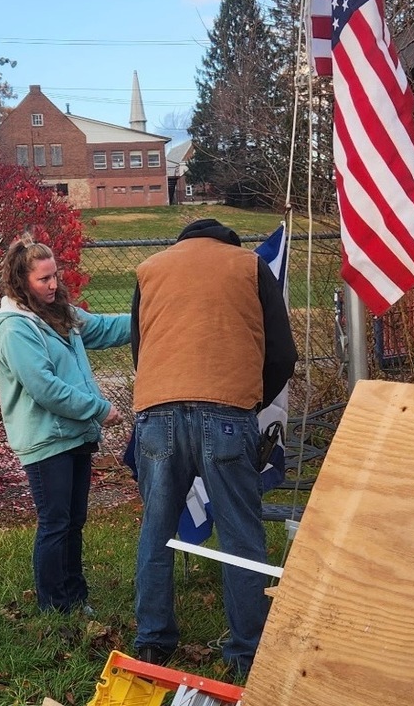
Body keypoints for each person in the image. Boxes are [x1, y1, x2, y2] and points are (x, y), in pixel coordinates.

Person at [130, 218, 298, 679]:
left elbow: (140, 349)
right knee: (242, 536)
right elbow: (283, 354)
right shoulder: (249, 266)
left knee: (156, 531)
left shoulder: (149, 269)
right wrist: (250, 399)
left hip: (157, 413)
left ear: (182, 242)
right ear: (228, 241)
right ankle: (247, 652)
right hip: (228, 412)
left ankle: (151, 644)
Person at [0, 235, 129, 616]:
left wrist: (155, 312)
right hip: (46, 439)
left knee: (74, 520)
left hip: (75, 435)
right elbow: (45, 388)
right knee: (55, 522)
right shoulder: (15, 328)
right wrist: (98, 409)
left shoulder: (62, 312)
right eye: (43, 280)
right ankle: (54, 606)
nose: (52, 285)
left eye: (54, 276)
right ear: (21, 282)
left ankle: (75, 597)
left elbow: (105, 328)